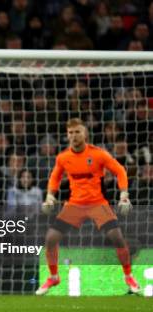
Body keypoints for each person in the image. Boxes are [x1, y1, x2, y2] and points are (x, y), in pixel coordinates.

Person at [36, 118, 139, 295]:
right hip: (75, 205)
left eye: (77, 132)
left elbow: (120, 170)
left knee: (117, 237)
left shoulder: (99, 154)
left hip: (97, 203)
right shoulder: (63, 158)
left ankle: (128, 276)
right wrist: (50, 196)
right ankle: (53, 277)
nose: (74, 136)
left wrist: (124, 195)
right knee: (51, 238)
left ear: (85, 134)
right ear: (67, 135)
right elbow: (55, 177)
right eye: (71, 132)